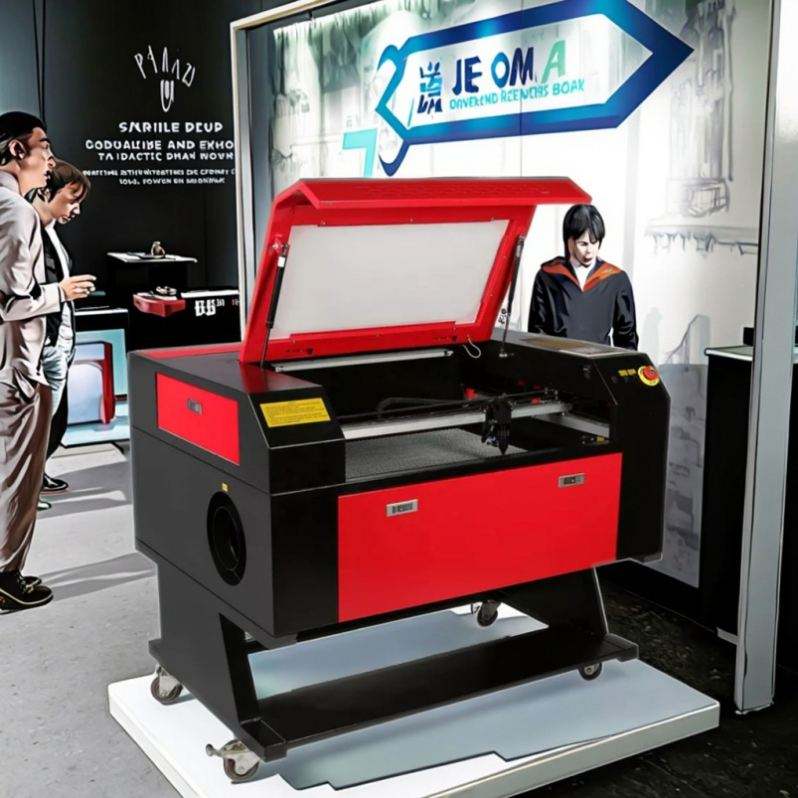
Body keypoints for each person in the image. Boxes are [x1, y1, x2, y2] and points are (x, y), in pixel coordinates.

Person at [0, 111, 94, 611]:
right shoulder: (14, 211)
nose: (51, 159)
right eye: (45, 147)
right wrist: (60, 292)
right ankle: (6, 577)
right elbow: (12, 302)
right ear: (18, 150)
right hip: (16, 369)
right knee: (18, 481)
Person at [32, 160, 91, 504]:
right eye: (71, 200)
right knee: (35, 424)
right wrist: (61, 293)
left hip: (58, 340)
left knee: (51, 421)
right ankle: (23, 491)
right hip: (42, 344)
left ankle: (33, 479)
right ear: (45, 191)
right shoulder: (25, 232)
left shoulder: (49, 229)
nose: (76, 209)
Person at [527, 204, 638, 349]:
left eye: (595, 242)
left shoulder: (616, 279)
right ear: (569, 242)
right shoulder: (547, 277)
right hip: (559, 360)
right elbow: (537, 332)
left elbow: (627, 336)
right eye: (583, 244)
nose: (590, 251)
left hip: (599, 360)